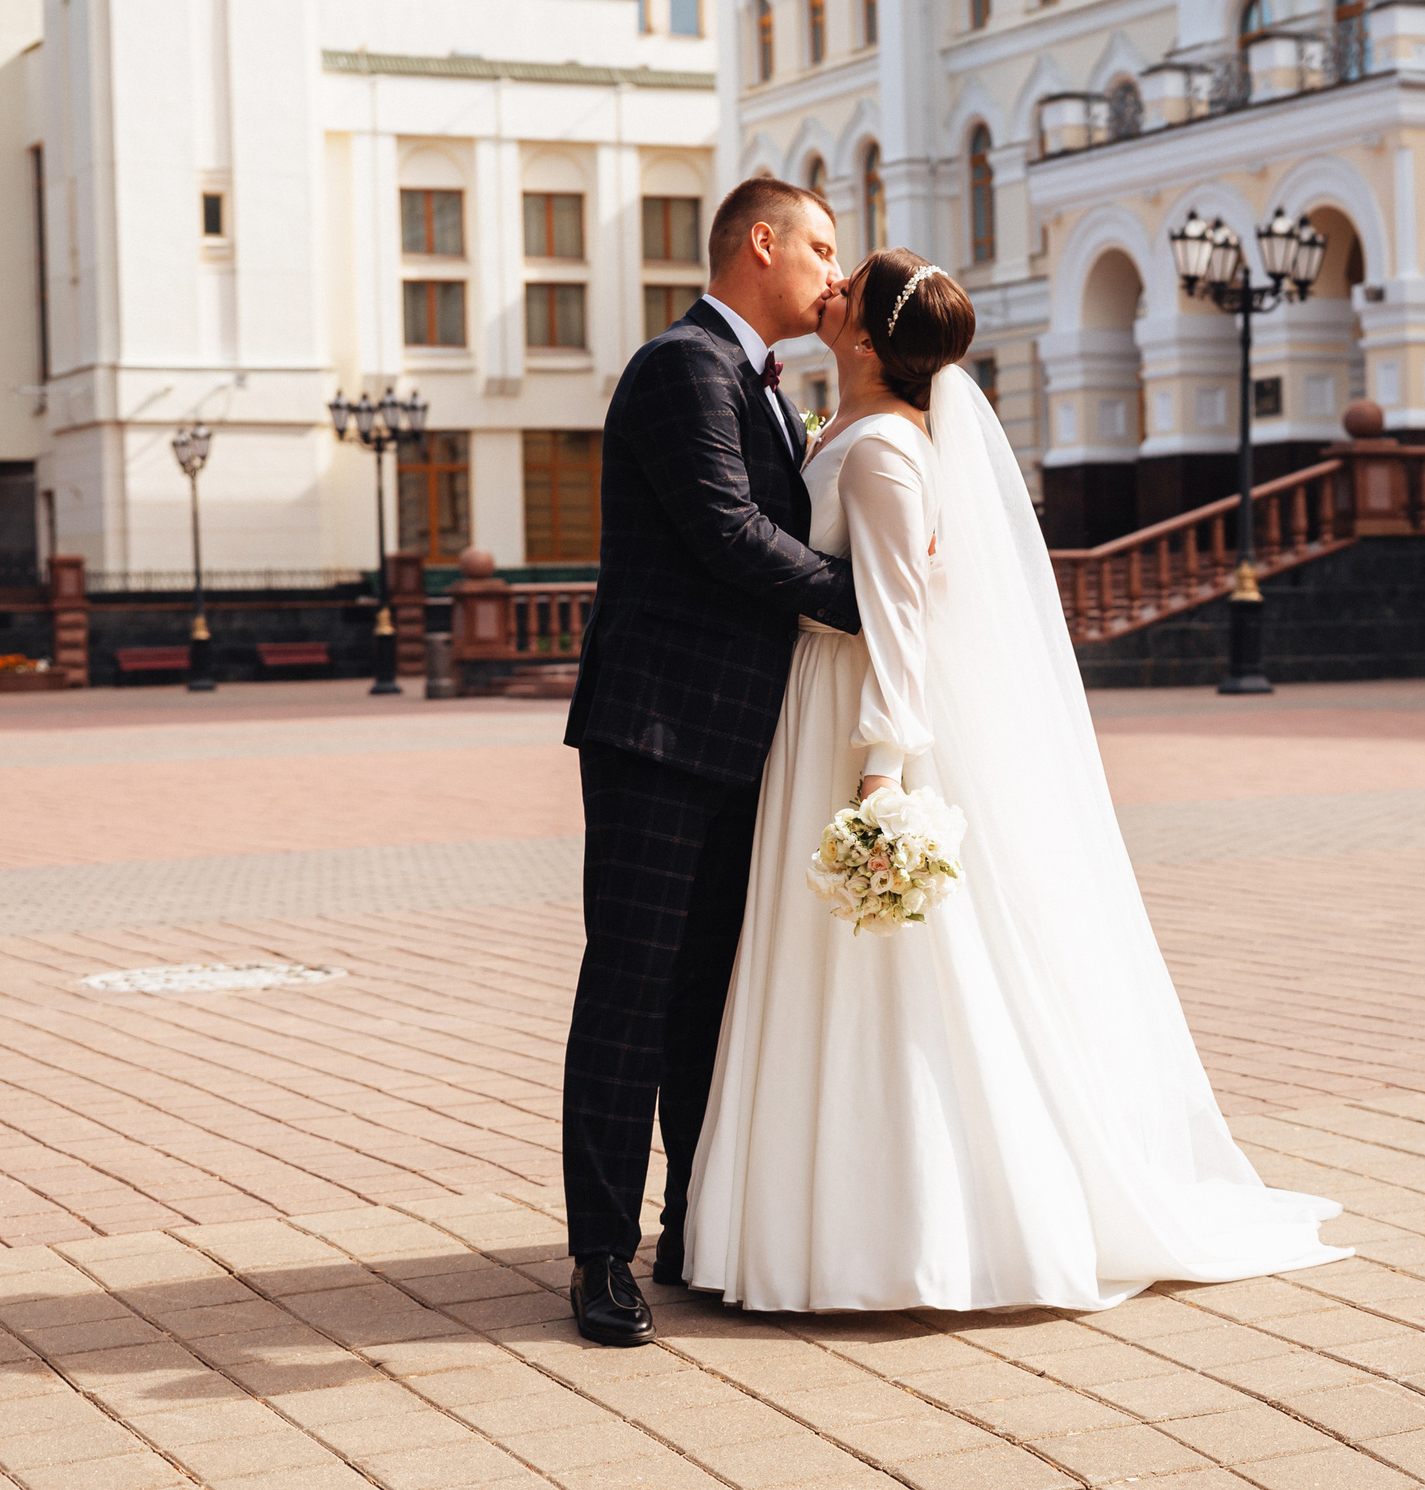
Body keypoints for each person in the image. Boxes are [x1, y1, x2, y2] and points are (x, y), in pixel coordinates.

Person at [683, 250, 1347, 1313]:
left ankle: (906, 1233)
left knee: (889, 971)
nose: (830, 287)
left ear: (867, 338)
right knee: (826, 962)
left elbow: (900, 620)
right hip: (815, 700)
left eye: (849, 285)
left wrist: (881, 772)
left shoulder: (885, 451)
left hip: (855, 716)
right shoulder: (852, 427)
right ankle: (810, 1222)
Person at [559, 177, 858, 1347]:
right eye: (822, 248)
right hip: (659, 729)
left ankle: (688, 1224)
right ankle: (600, 1255)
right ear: (762, 243)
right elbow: (728, 532)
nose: (835, 273)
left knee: (706, 998)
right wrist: (871, 603)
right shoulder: (683, 366)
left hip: (741, 736)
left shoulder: (763, 386)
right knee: (631, 992)